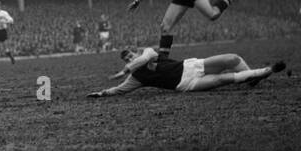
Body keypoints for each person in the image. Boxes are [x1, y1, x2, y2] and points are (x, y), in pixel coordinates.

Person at [87, 46, 286, 97]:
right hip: (186, 84)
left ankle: (252, 77)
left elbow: (144, 58)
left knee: (232, 59)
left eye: (130, 55)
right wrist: (103, 93)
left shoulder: (148, 53)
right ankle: (265, 71)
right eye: (127, 59)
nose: (130, 59)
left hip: (191, 66)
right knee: (223, 79)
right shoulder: (136, 78)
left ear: (135, 53)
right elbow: (120, 90)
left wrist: (125, 69)